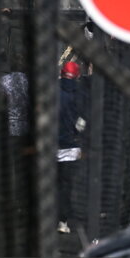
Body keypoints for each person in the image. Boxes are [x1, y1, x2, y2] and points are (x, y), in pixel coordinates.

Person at [57, 60, 89, 234]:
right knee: (66, 185)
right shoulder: (80, 93)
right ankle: (62, 221)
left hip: (50, 143)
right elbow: (83, 120)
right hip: (70, 146)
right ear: (76, 75)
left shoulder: (51, 88)